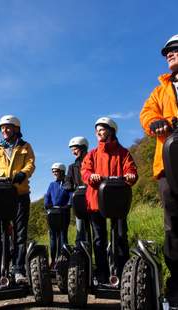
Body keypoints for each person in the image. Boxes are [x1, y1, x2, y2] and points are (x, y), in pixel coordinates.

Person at [140, 34, 178, 307]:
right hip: (170, 163)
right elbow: (147, 113)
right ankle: (176, 285)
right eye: (167, 52)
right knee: (174, 225)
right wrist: (155, 123)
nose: (169, 55)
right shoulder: (160, 90)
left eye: (175, 50)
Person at [81, 117, 138, 284]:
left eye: (102, 129)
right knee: (99, 238)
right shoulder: (92, 154)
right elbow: (85, 172)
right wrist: (92, 176)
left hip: (117, 201)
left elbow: (132, 170)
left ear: (111, 131)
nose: (98, 132)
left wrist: (131, 176)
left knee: (120, 236)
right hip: (96, 199)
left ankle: (123, 273)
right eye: (97, 130)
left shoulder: (123, 153)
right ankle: (102, 273)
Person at [0, 115, 35, 286]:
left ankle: (18, 270)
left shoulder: (25, 147)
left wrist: (23, 173)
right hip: (0, 195)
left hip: (19, 194)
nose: (4, 130)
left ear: (16, 129)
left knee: (19, 235)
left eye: (8, 127)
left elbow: (31, 164)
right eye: (2, 128)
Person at [44, 163, 71, 269]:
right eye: (53, 171)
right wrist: (47, 205)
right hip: (53, 213)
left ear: (62, 172)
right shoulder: (52, 184)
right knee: (53, 237)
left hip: (64, 213)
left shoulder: (67, 184)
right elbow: (47, 196)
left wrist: (68, 205)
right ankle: (54, 260)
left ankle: (64, 259)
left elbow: (70, 196)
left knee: (63, 236)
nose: (55, 173)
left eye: (57, 171)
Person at [64, 136, 89, 244]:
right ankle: (80, 252)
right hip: (79, 199)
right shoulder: (72, 167)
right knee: (80, 229)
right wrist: (71, 187)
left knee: (95, 227)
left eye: (75, 149)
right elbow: (67, 181)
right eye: (72, 150)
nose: (73, 152)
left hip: (92, 198)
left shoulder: (92, 161)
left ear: (83, 148)